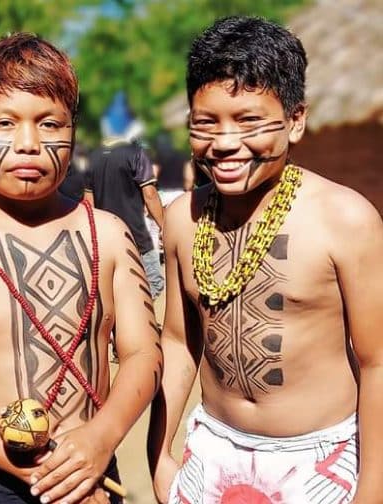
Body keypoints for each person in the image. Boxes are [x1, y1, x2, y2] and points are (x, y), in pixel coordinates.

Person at [0, 33, 163, 504]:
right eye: (5, 123)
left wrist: (99, 440)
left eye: (49, 124)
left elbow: (144, 354)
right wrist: (47, 473)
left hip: (93, 474)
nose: (28, 144)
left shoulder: (109, 235)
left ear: (73, 136)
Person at [148, 16, 383, 503]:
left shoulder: (345, 220)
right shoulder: (183, 219)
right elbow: (178, 342)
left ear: (295, 120)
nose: (224, 142)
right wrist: (160, 453)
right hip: (211, 451)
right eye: (206, 123)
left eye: (248, 120)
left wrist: (372, 491)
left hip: (318, 460)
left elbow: (378, 362)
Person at [84, 130, 165, 300]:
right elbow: (150, 194)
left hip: (105, 236)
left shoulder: (92, 157)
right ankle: (138, 314)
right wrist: (164, 225)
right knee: (154, 283)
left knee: (113, 287)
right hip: (136, 234)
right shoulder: (136, 153)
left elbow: (88, 203)